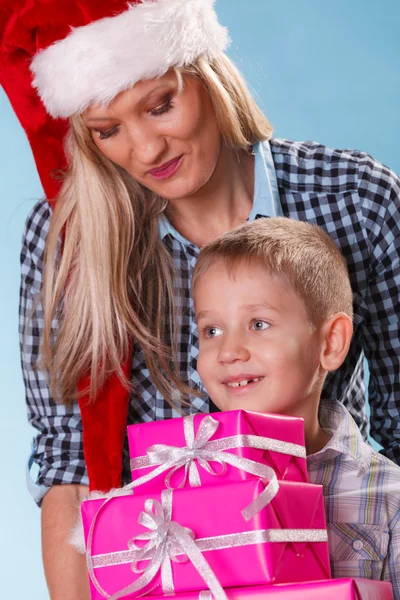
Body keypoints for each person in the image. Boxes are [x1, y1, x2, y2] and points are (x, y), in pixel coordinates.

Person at [0, 0, 399, 597]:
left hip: (331, 564)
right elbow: (69, 465)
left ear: (205, 69)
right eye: (107, 130)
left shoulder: (354, 199)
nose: (146, 149)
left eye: (160, 105)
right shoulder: (67, 237)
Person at [192, 217, 400, 597]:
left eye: (258, 323)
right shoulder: (180, 486)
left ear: (331, 343)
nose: (229, 351)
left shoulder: (389, 496)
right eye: (212, 331)